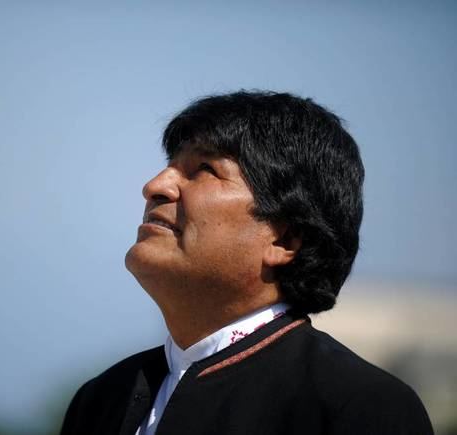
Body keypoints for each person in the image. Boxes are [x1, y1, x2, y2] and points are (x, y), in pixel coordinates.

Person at [60, 91, 433, 435]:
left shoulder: (361, 407)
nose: (155, 186)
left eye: (204, 169)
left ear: (284, 240)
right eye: (170, 166)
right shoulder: (101, 400)